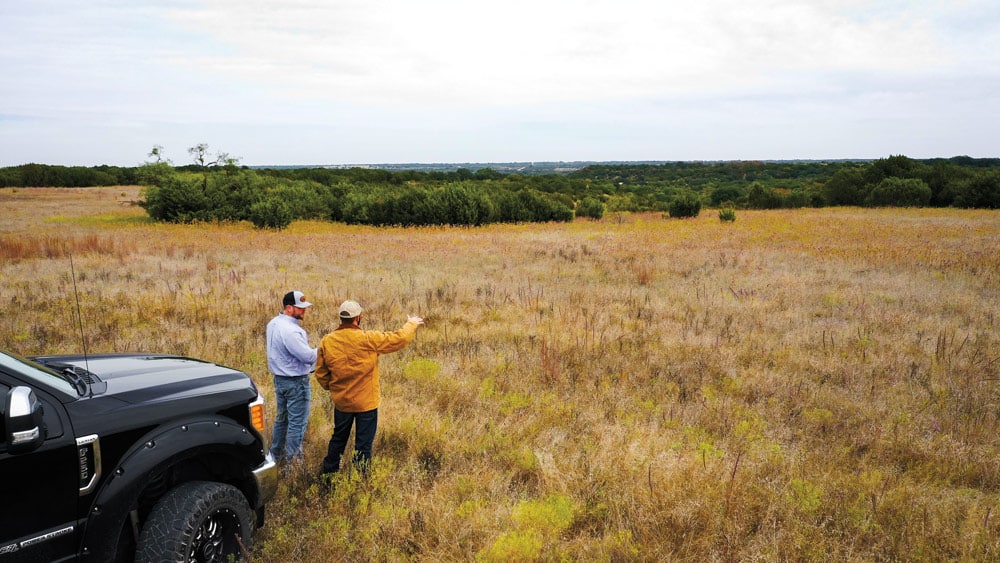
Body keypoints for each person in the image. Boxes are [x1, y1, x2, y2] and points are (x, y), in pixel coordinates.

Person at [315, 300, 424, 475]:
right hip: (366, 403)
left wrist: (334, 388)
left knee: (338, 439)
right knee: (363, 444)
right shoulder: (368, 338)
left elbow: (320, 373)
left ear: (341, 319)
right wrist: (411, 324)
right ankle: (360, 477)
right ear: (357, 318)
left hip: (342, 403)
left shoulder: (327, 341)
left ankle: (329, 473)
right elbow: (399, 338)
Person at [266, 290, 318, 464]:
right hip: (296, 383)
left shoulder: (273, 324)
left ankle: (275, 457)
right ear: (289, 308)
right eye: (300, 308)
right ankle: (293, 464)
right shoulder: (292, 331)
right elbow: (308, 357)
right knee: (297, 423)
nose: (304, 311)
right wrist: (324, 347)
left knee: (282, 420)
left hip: (280, 380)